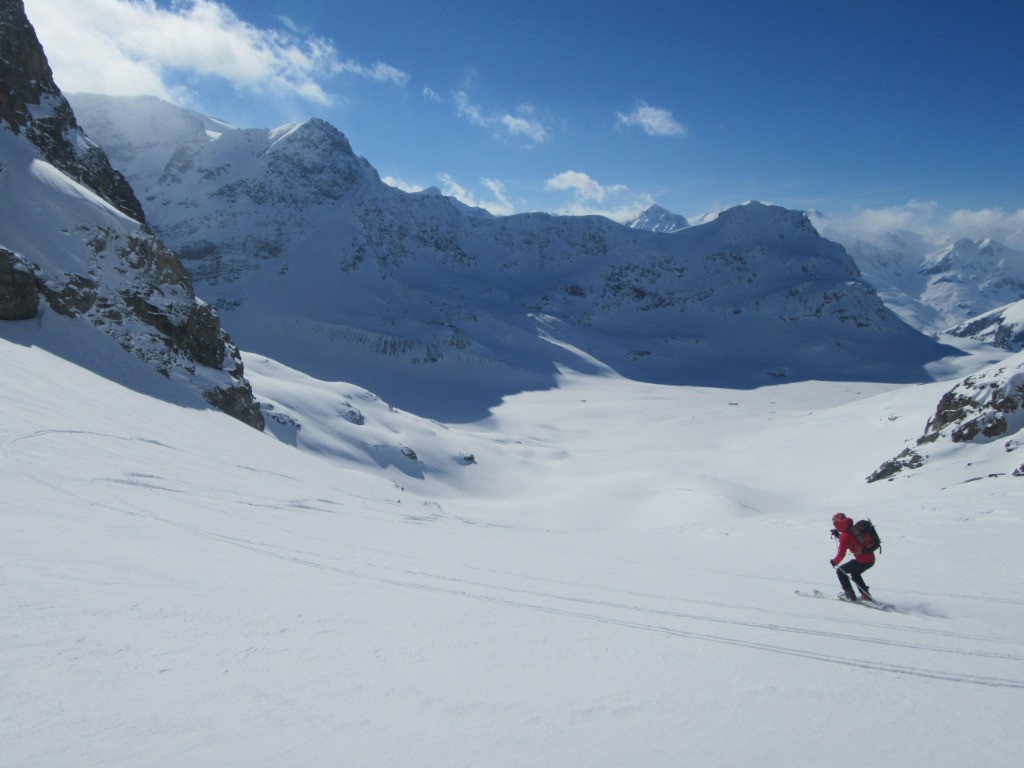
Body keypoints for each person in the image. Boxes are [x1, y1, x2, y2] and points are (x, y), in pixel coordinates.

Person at [829, 513, 875, 601]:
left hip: (862, 560)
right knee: (855, 573)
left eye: (835, 523)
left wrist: (834, 562)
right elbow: (853, 541)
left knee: (840, 571)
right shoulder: (854, 529)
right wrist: (839, 535)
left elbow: (841, 553)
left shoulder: (845, 536)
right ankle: (865, 595)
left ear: (839, 523)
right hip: (870, 559)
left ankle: (849, 594)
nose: (835, 526)